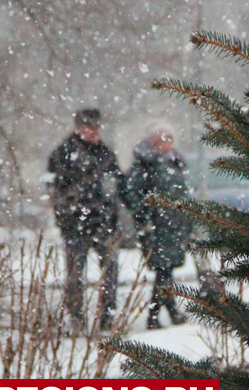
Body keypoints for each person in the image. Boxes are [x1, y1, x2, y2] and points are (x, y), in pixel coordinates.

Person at [46, 108, 123, 331]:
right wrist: (71, 208)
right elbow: (55, 189)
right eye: (89, 128)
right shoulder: (63, 153)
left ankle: (107, 318)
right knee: (75, 275)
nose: (94, 132)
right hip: (75, 225)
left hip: (104, 223)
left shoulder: (106, 154)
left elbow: (118, 185)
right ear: (78, 128)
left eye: (97, 127)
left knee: (110, 272)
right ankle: (76, 319)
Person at [124, 122, 193, 330]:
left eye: (170, 138)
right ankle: (154, 316)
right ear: (154, 141)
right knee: (164, 270)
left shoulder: (175, 163)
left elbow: (182, 193)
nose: (168, 143)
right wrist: (146, 216)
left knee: (168, 270)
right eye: (163, 139)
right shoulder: (146, 165)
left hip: (175, 225)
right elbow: (131, 193)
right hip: (157, 227)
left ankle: (168, 311)